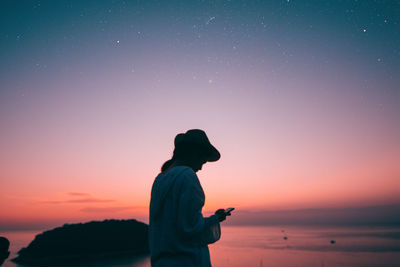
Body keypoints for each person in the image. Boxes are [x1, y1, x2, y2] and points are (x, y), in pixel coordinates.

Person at [149, 129, 231, 267]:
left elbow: (177, 224)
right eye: (202, 161)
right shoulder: (187, 176)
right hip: (186, 260)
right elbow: (191, 228)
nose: (201, 167)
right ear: (194, 153)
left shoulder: (159, 180)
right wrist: (216, 218)